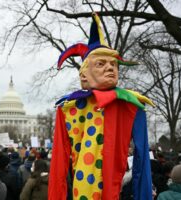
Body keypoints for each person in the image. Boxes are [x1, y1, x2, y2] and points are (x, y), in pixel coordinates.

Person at [49, 13, 154, 200]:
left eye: (114, 64)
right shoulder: (66, 108)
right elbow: (58, 165)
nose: (110, 68)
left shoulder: (131, 106)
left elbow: (142, 162)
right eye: (101, 63)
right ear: (84, 77)